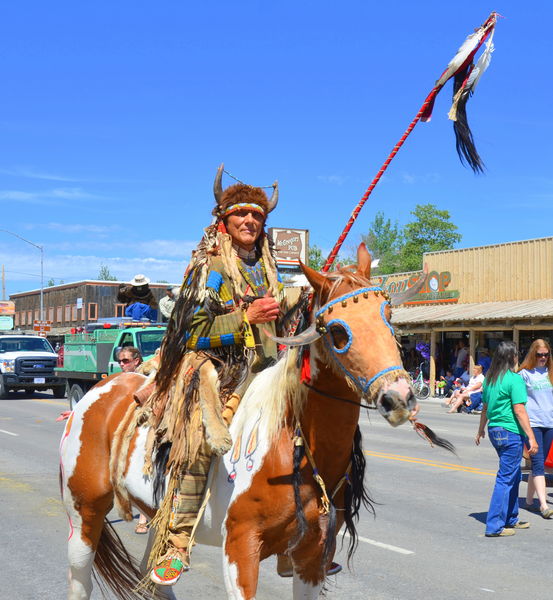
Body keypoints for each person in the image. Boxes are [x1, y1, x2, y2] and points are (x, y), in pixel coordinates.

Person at [142, 165, 341, 586]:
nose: (250, 221)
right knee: (201, 436)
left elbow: (280, 317)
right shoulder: (211, 267)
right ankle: (176, 540)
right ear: (224, 221)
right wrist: (245, 316)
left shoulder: (267, 268)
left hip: (267, 369)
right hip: (217, 368)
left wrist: (301, 297)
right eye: (241, 215)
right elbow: (191, 330)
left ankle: (301, 537)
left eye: (257, 216)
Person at [475, 341, 538, 537]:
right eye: (517, 355)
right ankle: (494, 526)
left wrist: (480, 430)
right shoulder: (514, 379)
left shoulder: (490, 380)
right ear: (512, 357)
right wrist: (532, 437)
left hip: (495, 430)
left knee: (514, 475)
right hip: (510, 431)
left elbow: (485, 408)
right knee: (505, 477)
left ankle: (511, 517)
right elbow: (519, 410)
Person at [518, 339, 553, 519]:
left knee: (537, 465)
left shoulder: (550, 373)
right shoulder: (524, 374)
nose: (543, 358)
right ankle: (544, 505)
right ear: (533, 354)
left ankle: (530, 501)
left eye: (546, 355)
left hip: (549, 424)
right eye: (539, 355)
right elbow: (515, 398)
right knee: (538, 464)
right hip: (532, 425)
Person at [116, 347, 150, 533]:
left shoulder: (147, 377)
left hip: (144, 430)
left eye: (126, 360)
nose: (122, 364)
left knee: (143, 471)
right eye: (120, 361)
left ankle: (143, 519)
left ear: (136, 361)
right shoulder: (121, 380)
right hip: (125, 432)